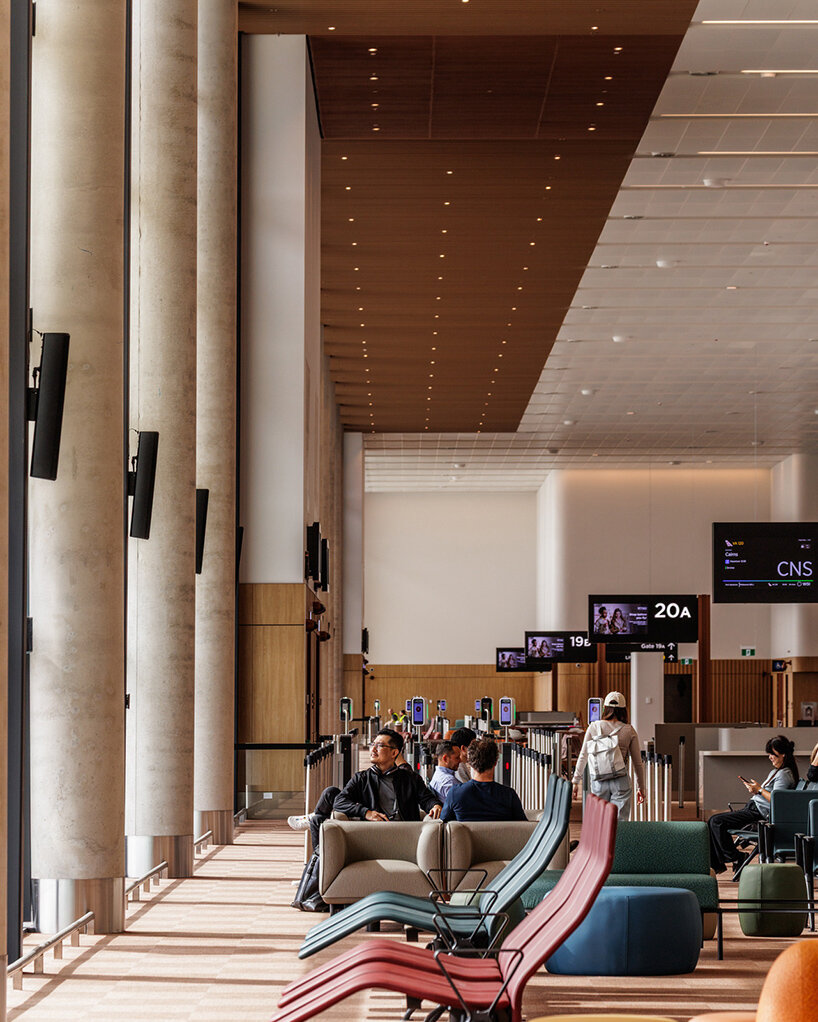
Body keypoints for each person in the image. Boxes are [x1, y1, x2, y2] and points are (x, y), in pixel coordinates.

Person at [707, 735, 799, 874]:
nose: (770, 757)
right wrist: (755, 790)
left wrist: (759, 790)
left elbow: (778, 799)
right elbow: (767, 794)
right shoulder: (776, 772)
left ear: (783, 755)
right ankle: (720, 864)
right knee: (714, 822)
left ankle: (736, 858)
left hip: (758, 814)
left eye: (772, 754)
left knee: (716, 822)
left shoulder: (784, 775)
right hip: (752, 808)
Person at [571, 690, 645, 820]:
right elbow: (637, 763)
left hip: (599, 780)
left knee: (601, 822)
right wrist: (641, 787)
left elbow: (583, 755)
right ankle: (619, 841)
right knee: (619, 824)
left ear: (605, 708)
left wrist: (575, 781)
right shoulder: (629, 730)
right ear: (624, 710)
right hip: (621, 780)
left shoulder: (594, 727)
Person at [440, 738, 526, 822]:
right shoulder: (509, 795)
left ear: (469, 761)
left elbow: (443, 822)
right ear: (496, 762)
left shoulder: (455, 793)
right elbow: (523, 828)